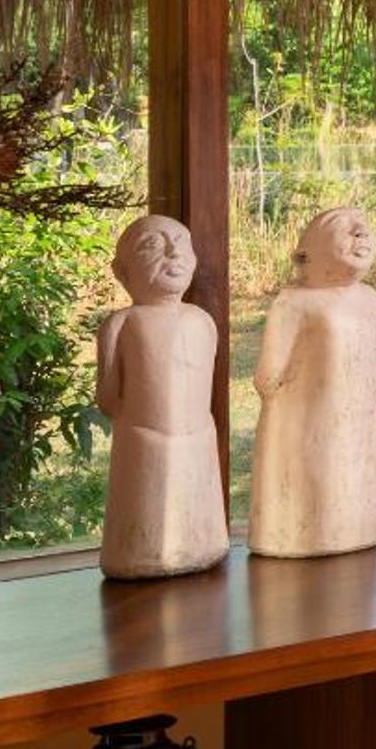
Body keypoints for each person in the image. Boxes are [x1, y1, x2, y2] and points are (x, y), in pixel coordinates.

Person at [94, 215, 229, 578]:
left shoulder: (202, 320)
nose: (173, 252)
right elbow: (108, 397)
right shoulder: (121, 324)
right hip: (142, 440)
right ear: (122, 271)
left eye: (181, 243)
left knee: (198, 510)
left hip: (199, 437)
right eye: (152, 245)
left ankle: (205, 544)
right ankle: (138, 553)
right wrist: (142, 426)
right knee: (143, 515)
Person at [249, 207, 376, 558]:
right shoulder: (294, 302)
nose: (361, 233)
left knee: (351, 488)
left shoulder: (369, 299)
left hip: (359, 426)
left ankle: (353, 529)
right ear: (307, 254)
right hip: (307, 426)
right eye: (344, 228)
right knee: (313, 500)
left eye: (364, 227)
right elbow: (267, 378)